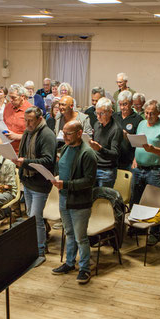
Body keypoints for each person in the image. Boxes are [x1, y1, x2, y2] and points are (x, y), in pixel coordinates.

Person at [51, 120, 97, 285]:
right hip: (64, 197)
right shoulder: (64, 148)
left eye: (68, 133)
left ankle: (84, 268)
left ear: (79, 133)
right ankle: (70, 263)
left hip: (80, 201)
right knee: (69, 233)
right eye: (63, 133)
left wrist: (66, 185)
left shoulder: (87, 153)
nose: (65, 137)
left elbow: (89, 181)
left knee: (81, 237)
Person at [16, 106, 57, 262]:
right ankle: (35, 246)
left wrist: (25, 162)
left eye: (30, 121)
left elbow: (48, 161)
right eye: (25, 120)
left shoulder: (47, 135)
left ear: (39, 119)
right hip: (27, 181)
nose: (27, 124)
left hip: (40, 183)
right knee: (31, 217)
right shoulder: (27, 132)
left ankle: (40, 253)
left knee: (35, 218)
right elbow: (22, 153)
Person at [131, 100, 160, 246]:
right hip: (139, 167)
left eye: (152, 114)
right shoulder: (142, 124)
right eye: (146, 113)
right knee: (136, 199)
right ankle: (138, 228)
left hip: (155, 170)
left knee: (154, 203)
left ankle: (154, 233)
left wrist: (153, 149)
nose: (148, 116)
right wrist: (136, 158)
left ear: (158, 113)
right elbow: (138, 143)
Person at [89, 97, 122, 187]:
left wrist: (100, 149)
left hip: (107, 171)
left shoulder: (116, 129)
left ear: (110, 112)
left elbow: (115, 154)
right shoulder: (97, 124)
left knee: (103, 199)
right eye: (97, 113)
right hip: (94, 167)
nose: (98, 116)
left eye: (102, 113)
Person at [114, 90, 143, 171]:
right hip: (115, 159)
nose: (122, 107)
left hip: (129, 160)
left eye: (125, 104)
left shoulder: (138, 119)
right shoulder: (114, 117)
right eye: (120, 104)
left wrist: (128, 137)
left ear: (131, 103)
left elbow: (140, 143)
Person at [3, 84, 33, 153]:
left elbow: (36, 134)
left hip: (24, 151)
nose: (11, 100)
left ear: (22, 96)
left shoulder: (31, 110)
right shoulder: (7, 107)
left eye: (13, 98)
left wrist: (17, 136)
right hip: (8, 148)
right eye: (10, 97)